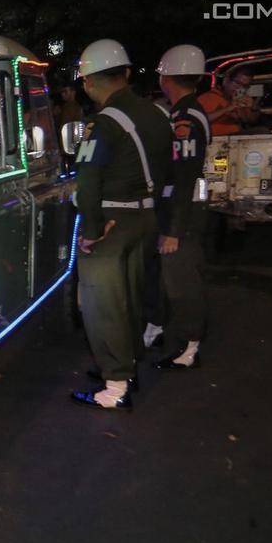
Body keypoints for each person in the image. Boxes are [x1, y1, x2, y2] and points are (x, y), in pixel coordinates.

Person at [69, 40, 172, 411]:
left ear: (88, 82)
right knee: (129, 298)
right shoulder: (157, 114)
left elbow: (88, 183)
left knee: (103, 305)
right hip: (146, 215)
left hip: (112, 221)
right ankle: (128, 369)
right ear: (126, 73)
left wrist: (91, 231)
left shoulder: (103, 123)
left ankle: (115, 387)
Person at [148, 45, 212, 370]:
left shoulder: (185, 117)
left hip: (182, 212)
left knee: (182, 281)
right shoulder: (183, 112)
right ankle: (163, 330)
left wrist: (174, 230)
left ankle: (189, 347)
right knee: (167, 278)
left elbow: (185, 177)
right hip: (177, 208)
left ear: (166, 78)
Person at [198, 67, 261, 136]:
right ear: (226, 81)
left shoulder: (240, 98)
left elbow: (251, 121)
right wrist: (227, 109)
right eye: (237, 83)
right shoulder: (209, 97)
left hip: (237, 136)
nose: (240, 88)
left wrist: (254, 107)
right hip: (217, 137)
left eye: (245, 86)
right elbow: (198, 120)